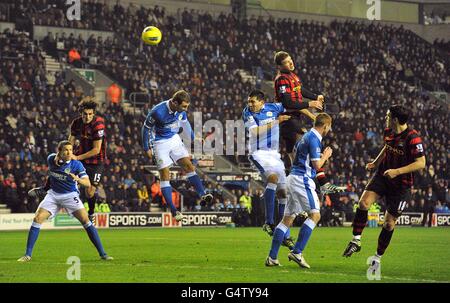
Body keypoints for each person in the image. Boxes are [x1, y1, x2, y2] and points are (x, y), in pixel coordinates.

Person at [342, 104, 426, 274]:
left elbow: (421, 163)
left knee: (388, 223)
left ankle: (377, 257)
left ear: (395, 119)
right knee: (363, 203)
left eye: (388, 115)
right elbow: (387, 148)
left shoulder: (413, 137)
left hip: (401, 184)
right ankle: (356, 240)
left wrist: (397, 171)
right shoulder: (388, 132)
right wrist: (376, 162)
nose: (385, 118)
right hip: (383, 176)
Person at [17, 141, 113, 262]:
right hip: (53, 195)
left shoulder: (76, 165)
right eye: (66, 150)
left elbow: (88, 183)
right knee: (37, 219)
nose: (69, 153)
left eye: (71, 150)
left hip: (70, 195)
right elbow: (51, 175)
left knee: (86, 221)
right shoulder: (51, 159)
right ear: (60, 151)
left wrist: (77, 178)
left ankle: (103, 254)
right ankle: (27, 255)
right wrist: (46, 188)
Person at [265, 113, 333, 268]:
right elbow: (317, 165)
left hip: (292, 178)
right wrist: (326, 156)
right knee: (315, 215)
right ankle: (297, 252)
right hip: (302, 180)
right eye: (329, 127)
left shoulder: (305, 136)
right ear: (326, 126)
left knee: (286, 220)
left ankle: (272, 257)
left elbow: (298, 155)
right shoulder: (314, 138)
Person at [273, 51, 345, 195]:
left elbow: (301, 91)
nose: (291, 62)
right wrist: (310, 103)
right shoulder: (281, 79)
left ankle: (291, 189)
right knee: (310, 143)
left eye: (291, 59)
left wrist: (315, 96)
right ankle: (322, 184)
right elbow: (287, 102)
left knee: (296, 160)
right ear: (280, 66)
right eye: (287, 62)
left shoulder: (292, 76)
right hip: (288, 121)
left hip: (295, 120)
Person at [141, 90, 212, 221]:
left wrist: (192, 138)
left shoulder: (181, 112)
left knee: (189, 166)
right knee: (165, 175)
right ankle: (174, 210)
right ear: (174, 103)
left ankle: (203, 194)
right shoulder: (158, 111)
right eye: (184, 106)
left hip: (174, 139)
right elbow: (145, 128)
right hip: (159, 142)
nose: (185, 109)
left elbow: (185, 124)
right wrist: (146, 148)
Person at [242, 89, 295, 249]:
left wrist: (310, 103)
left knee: (284, 193)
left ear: (262, 102)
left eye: (253, 102)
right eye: (249, 101)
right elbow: (255, 131)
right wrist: (277, 121)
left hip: (274, 154)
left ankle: (284, 233)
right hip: (258, 153)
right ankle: (269, 222)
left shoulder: (274, 108)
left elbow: (291, 106)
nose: (250, 104)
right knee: (272, 178)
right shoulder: (248, 113)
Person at [68, 97, 107, 224]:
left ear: (94, 113)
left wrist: (77, 157)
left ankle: (90, 212)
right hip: (82, 159)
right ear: (81, 113)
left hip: (97, 161)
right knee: (67, 176)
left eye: (90, 114)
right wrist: (68, 152)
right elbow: (71, 140)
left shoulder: (98, 124)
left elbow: (96, 149)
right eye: (85, 114)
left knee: (90, 192)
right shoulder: (76, 123)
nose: (87, 117)